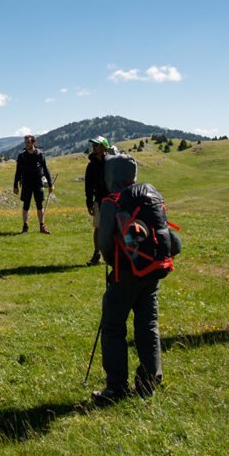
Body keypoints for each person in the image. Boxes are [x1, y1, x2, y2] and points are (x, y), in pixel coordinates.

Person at [93, 155, 167, 404]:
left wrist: (113, 264)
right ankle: (149, 382)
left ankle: (116, 387)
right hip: (152, 271)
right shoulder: (152, 197)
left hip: (125, 273)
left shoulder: (112, 202)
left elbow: (104, 242)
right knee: (148, 325)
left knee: (113, 327)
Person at [12, 135, 53, 233]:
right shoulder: (21, 156)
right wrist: (15, 185)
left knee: (39, 205)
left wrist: (51, 184)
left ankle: (42, 227)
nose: (26, 144)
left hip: (38, 183)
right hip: (26, 183)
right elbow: (18, 171)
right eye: (25, 142)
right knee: (26, 205)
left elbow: (46, 169)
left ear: (33, 142)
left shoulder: (39, 154)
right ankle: (25, 227)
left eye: (28, 142)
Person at [82, 135, 111, 265]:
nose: (94, 147)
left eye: (97, 145)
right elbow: (88, 186)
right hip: (99, 200)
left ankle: (115, 254)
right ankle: (97, 254)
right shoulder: (91, 166)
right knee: (98, 227)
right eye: (93, 145)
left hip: (113, 199)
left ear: (104, 147)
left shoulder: (112, 162)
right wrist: (89, 202)